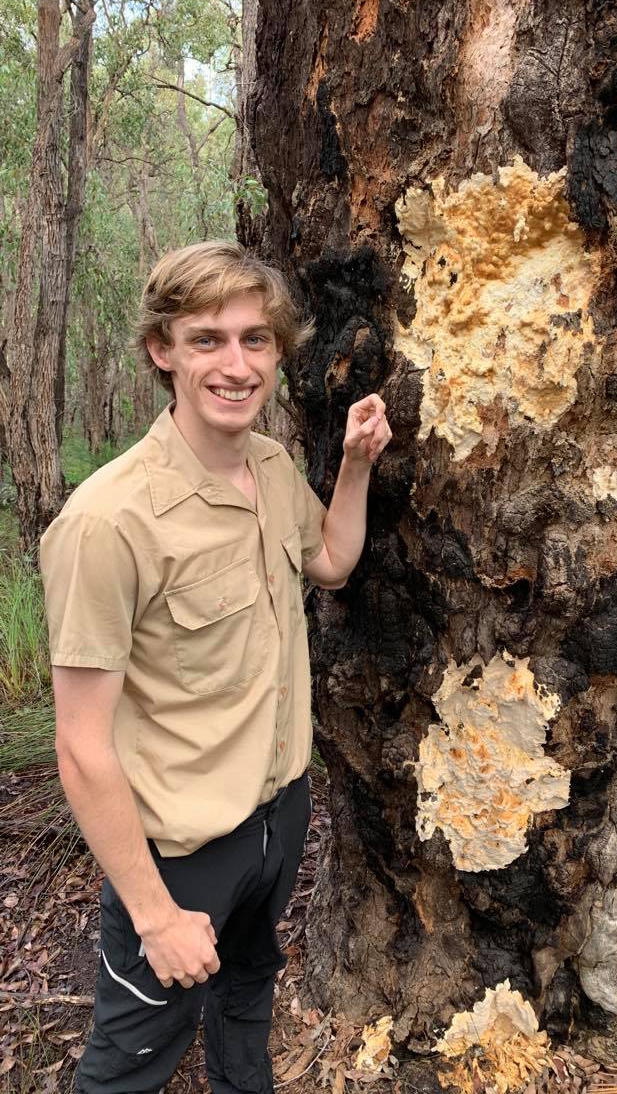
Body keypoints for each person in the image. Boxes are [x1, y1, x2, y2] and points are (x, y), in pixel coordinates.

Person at [39, 241, 392, 1094]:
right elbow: (82, 747)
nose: (236, 365)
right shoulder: (107, 523)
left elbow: (333, 562)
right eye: (207, 340)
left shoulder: (270, 468)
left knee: (244, 1005)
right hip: (179, 853)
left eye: (255, 339)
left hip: (278, 814)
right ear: (162, 350)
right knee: (128, 1064)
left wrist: (353, 464)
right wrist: (156, 916)